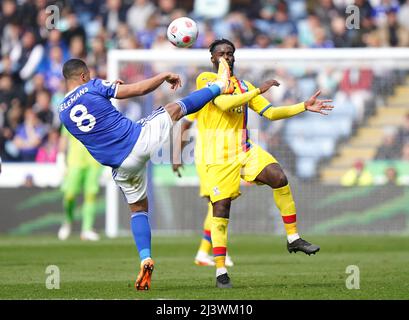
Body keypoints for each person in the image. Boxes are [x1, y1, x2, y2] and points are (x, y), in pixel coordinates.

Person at [58, 57, 242, 290]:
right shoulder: (93, 86)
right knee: (175, 109)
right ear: (84, 76)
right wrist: (163, 76)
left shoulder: (62, 112)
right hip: (138, 140)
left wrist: (105, 91)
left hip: (121, 167)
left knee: (138, 210)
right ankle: (220, 86)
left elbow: (96, 123)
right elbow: (139, 89)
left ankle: (145, 257)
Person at [187, 39, 334, 288]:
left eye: (230, 53)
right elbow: (224, 103)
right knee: (220, 209)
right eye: (221, 54)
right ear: (212, 59)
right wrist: (257, 91)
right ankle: (221, 271)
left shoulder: (244, 85)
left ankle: (293, 237)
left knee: (278, 176)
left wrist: (303, 107)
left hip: (244, 149)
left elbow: (271, 112)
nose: (226, 57)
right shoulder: (205, 81)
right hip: (217, 158)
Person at [172, 114, 234, 267]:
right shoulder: (204, 96)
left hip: (226, 158)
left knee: (218, 204)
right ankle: (205, 252)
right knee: (216, 204)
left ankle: (208, 251)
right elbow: (184, 125)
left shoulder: (229, 96)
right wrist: (176, 157)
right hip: (208, 159)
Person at [57, 126, 103, 241]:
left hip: (94, 160)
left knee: (91, 195)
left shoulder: (97, 111)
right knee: (69, 195)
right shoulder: (72, 110)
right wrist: (60, 157)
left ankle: (87, 229)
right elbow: (64, 137)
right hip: (75, 161)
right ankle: (68, 221)